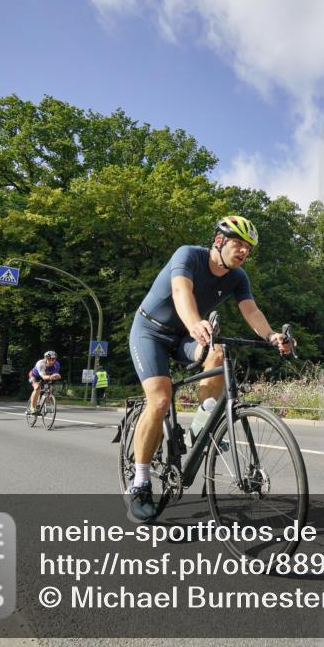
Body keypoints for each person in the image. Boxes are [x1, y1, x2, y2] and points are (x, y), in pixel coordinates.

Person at [127, 215, 292, 522]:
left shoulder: (237, 277)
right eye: (238, 244)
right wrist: (194, 323)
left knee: (217, 354)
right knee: (160, 400)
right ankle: (140, 482)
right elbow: (181, 293)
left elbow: (251, 310)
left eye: (249, 248)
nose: (243, 252)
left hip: (185, 337)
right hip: (150, 331)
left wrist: (272, 336)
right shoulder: (188, 255)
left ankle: (200, 426)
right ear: (219, 240)